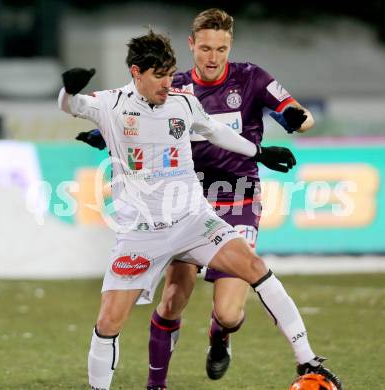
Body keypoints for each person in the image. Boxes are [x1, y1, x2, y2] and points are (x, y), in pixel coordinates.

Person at [76, 9, 342, 390]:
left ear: (230, 45)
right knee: (170, 302)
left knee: (230, 312)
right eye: (205, 48)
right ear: (192, 45)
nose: (213, 56)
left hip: (237, 198)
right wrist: (100, 137)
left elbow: (294, 114)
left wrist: (298, 120)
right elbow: (133, 118)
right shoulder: (176, 86)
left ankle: (222, 335)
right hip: (187, 201)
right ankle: (157, 385)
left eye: (221, 48)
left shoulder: (252, 79)